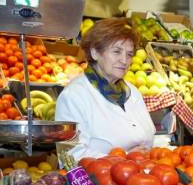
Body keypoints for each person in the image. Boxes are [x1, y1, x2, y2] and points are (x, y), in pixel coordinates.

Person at [55, 18, 155, 161]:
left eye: (129, 54)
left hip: (142, 179)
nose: (124, 60)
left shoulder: (132, 92)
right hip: (100, 180)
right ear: (95, 52)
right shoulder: (73, 97)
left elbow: (149, 140)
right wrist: (125, 159)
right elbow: (70, 156)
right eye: (117, 51)